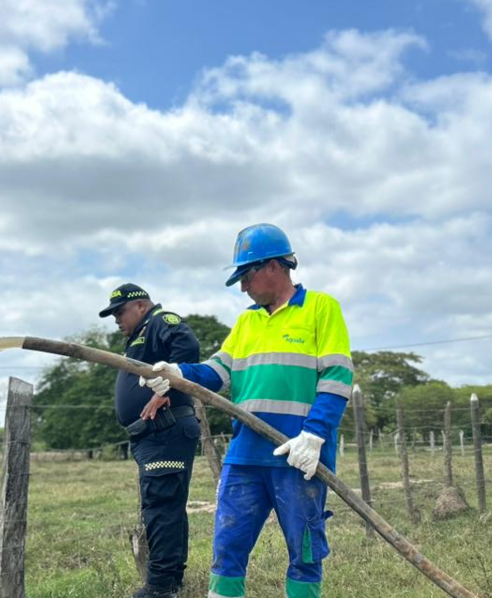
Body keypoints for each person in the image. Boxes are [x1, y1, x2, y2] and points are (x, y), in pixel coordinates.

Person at [139, 224, 353, 598]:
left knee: (304, 552)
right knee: (228, 546)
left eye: (246, 275)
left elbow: (337, 377)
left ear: (274, 266)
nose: (243, 287)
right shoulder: (247, 321)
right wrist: (177, 374)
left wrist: (314, 435)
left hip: (299, 455)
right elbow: (217, 373)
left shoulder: (321, 308)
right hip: (245, 456)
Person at [100, 282, 202, 598]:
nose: (117, 319)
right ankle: (170, 580)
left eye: (120, 312)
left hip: (165, 429)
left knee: (160, 506)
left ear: (141, 306)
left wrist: (167, 391)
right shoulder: (140, 336)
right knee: (166, 505)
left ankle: (159, 588)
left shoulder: (160, 322)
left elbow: (189, 347)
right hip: (155, 434)